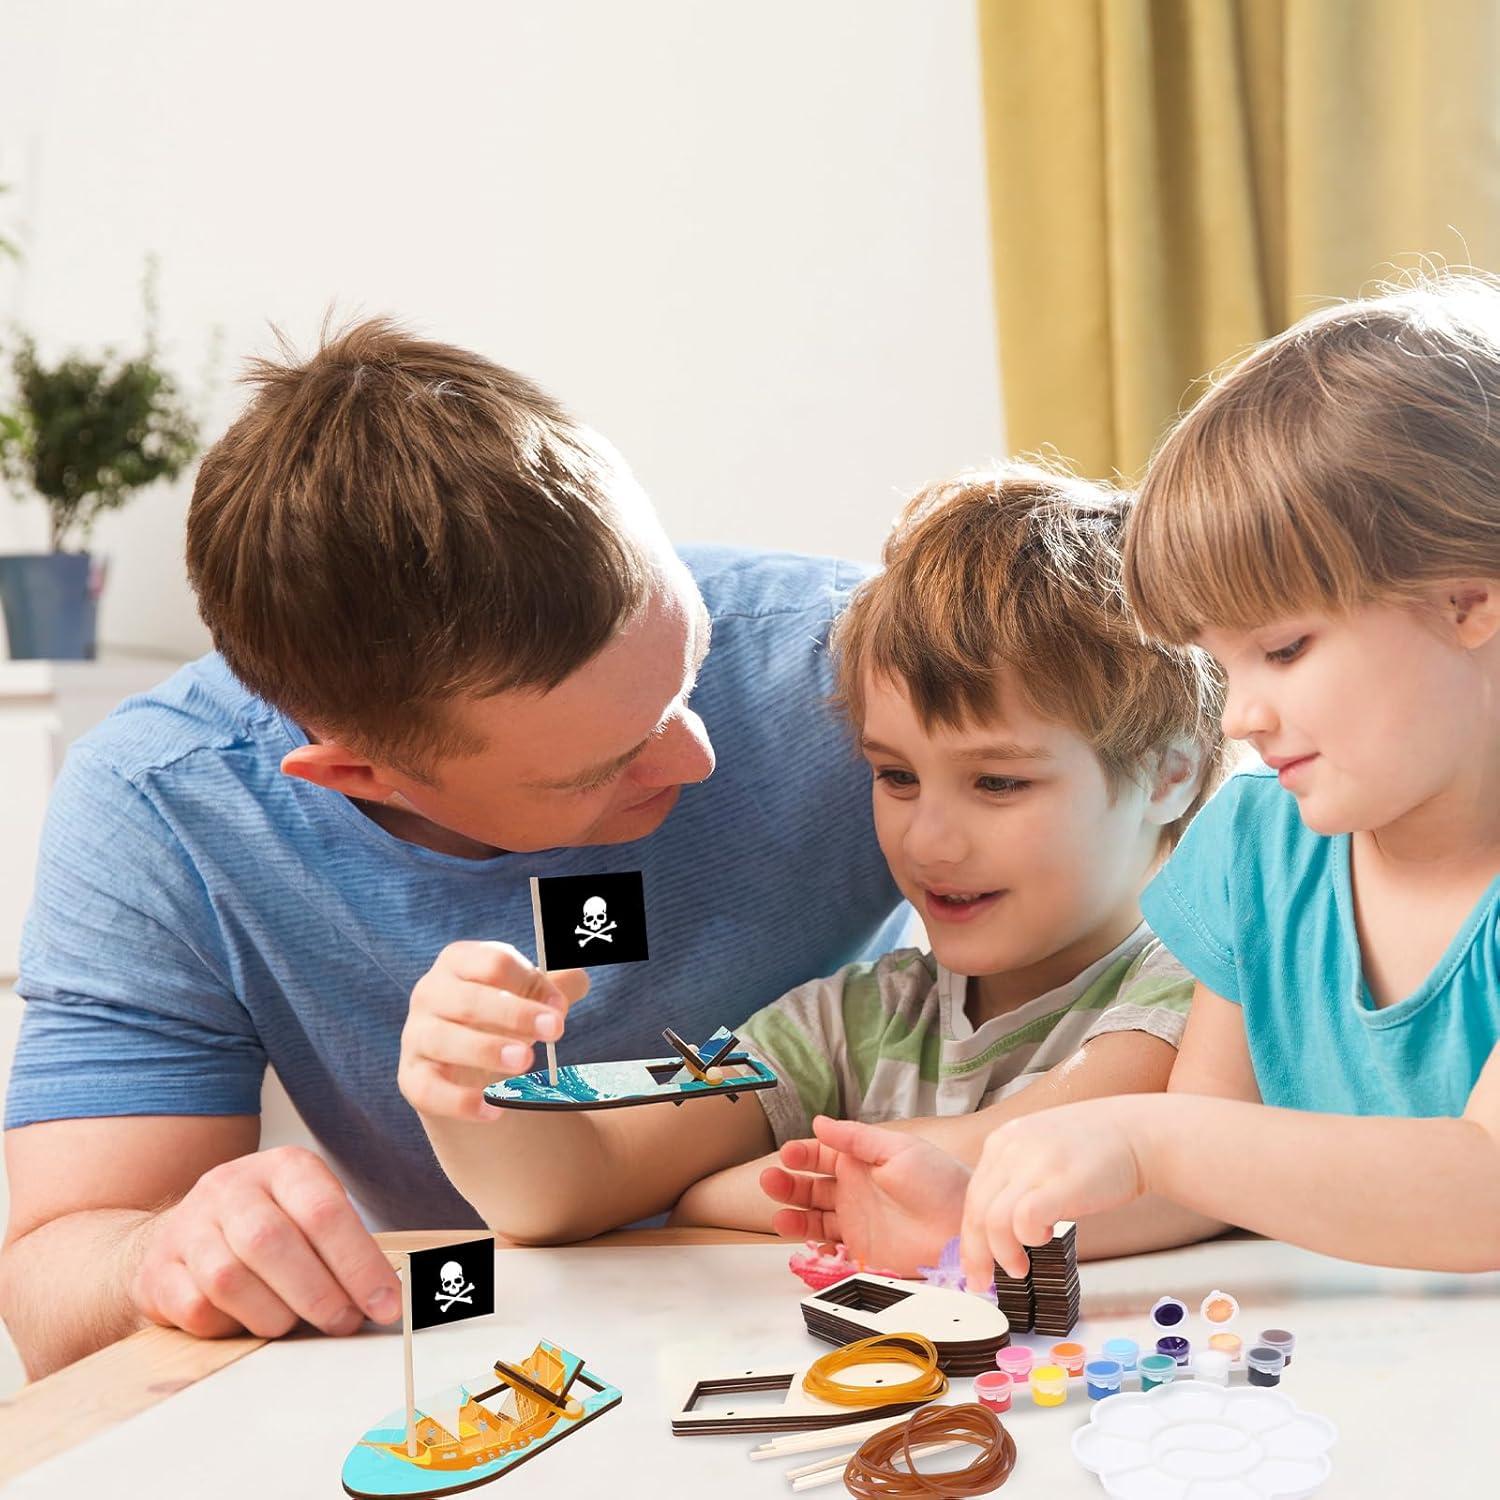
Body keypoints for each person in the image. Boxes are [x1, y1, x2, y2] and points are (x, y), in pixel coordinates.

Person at [0, 321, 907, 1377]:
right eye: (594, 768)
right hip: (488, 1351)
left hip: (860, 1296)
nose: (695, 757)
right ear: (358, 774)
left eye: (690, 664)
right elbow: (51, 1292)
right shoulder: (163, 809)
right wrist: (164, 1254)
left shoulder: (849, 655)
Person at [768, 276, 1500, 1289]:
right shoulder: (1260, 848)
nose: (1241, 713)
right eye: (1224, 662)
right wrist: (985, 1219)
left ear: (1468, 601)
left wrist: (1150, 1137)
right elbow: (1204, 1179)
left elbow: (1482, 1189)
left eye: (1283, 650)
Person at [401, 461, 1229, 1255]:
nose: (927, 840)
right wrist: (468, 1088)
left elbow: (1029, 1152)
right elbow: (577, 1186)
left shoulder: (1206, 980)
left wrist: (723, 1188)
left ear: (1172, 773)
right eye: (897, 776)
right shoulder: (843, 1024)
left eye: (998, 782)